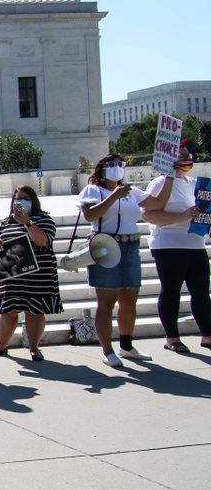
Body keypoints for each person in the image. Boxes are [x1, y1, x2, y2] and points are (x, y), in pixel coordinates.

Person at [78, 154, 150, 367]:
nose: (117, 167)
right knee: (106, 302)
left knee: (129, 300)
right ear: (101, 169)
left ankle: (126, 346)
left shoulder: (129, 192)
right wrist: (113, 197)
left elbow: (157, 202)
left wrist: (171, 176)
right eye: (112, 164)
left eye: (120, 164)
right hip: (105, 245)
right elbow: (90, 215)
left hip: (130, 245)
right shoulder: (94, 189)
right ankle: (107, 350)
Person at [139, 145, 211, 353]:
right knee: (171, 291)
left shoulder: (196, 183)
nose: (187, 158)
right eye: (181, 155)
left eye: (188, 154)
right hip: (169, 245)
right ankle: (172, 337)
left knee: (201, 292)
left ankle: (207, 335)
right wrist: (183, 216)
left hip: (196, 244)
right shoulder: (159, 183)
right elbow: (148, 215)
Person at [0, 186, 62, 361]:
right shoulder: (5, 222)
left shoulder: (43, 218)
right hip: (13, 274)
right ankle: (1, 345)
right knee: (9, 310)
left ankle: (34, 348)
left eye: (25, 198)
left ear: (33, 200)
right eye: (17, 199)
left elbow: (43, 241)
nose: (20, 202)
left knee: (34, 311)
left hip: (38, 273)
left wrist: (27, 222)